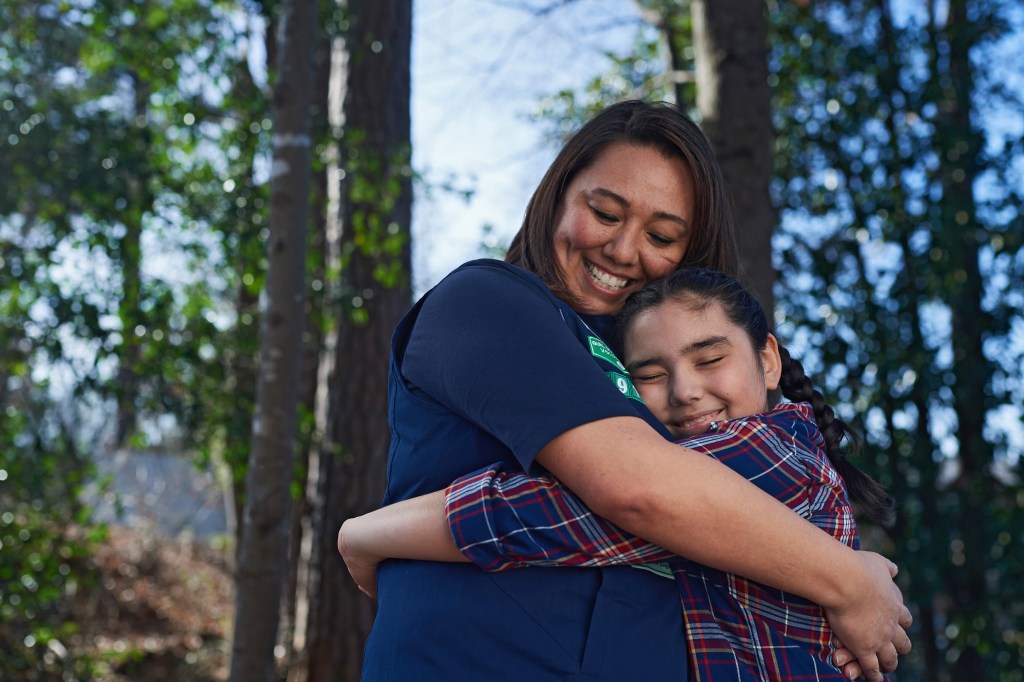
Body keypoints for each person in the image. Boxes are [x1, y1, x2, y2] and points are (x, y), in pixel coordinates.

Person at [350, 100, 911, 682]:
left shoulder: (744, 434)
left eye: (661, 235)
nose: (622, 250)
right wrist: (849, 579)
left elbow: (640, 509)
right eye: (604, 213)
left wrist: (372, 533)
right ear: (557, 196)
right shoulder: (490, 301)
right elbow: (637, 492)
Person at [427, 267, 896, 680]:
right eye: (649, 375)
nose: (684, 391)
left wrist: (383, 530)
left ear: (768, 360)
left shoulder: (773, 452)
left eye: (710, 360)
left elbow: (550, 515)